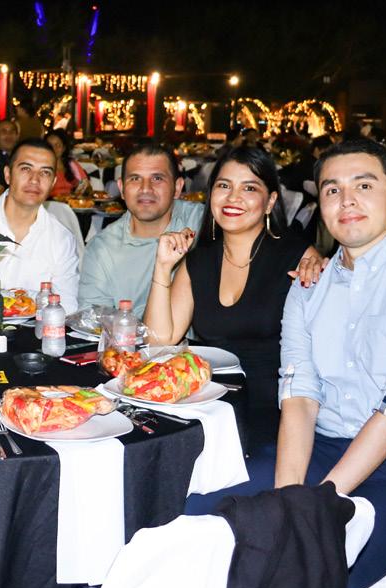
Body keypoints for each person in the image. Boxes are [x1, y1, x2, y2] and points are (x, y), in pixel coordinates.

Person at [186, 139, 386, 588]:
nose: (347, 200)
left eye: (364, 186)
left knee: (308, 571)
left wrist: (314, 504)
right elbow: (299, 396)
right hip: (319, 449)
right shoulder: (307, 286)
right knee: (195, 515)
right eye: (333, 190)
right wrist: (287, 496)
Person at [144, 147, 321, 440]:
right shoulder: (198, 261)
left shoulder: (298, 258)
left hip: (277, 416)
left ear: (270, 201)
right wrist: (163, 267)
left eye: (249, 188)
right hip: (210, 410)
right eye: (224, 186)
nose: (233, 197)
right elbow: (158, 341)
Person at [78, 142, 203, 316]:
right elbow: (93, 320)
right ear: (122, 189)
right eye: (135, 179)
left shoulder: (200, 223)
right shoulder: (101, 250)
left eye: (157, 178)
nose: (145, 188)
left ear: (177, 188)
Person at [0, 138, 80, 311]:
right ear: (8, 175)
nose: (35, 180)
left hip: (36, 327)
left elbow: (67, 307)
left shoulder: (61, 238)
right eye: (26, 169)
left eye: (45, 172)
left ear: (53, 183)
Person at [46, 128, 88, 197]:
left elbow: (85, 185)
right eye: (49, 146)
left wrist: (81, 189)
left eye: (58, 145)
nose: (53, 149)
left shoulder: (72, 165)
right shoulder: (40, 167)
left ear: (64, 148)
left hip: (71, 202)